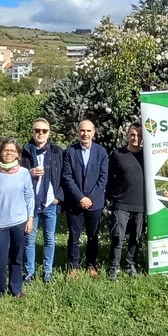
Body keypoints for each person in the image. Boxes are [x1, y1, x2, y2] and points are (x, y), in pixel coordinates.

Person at [0, 138, 35, 299]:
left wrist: (30, 218)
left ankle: (16, 288)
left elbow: (29, 195)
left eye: (12, 150)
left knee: (17, 258)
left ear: (18, 154)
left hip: (20, 223)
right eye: (6, 150)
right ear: (1, 152)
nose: (9, 153)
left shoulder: (24, 173)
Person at [61, 119, 109, 277]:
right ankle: (73, 267)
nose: (85, 134)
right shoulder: (70, 152)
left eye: (88, 131)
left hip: (95, 203)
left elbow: (103, 178)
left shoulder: (101, 152)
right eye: (82, 130)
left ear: (93, 133)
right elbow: (67, 177)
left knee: (93, 236)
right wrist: (80, 198)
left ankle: (91, 265)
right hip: (75, 202)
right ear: (78, 132)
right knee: (74, 237)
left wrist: (90, 198)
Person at [20, 118, 64, 283]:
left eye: (44, 131)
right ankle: (29, 272)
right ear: (32, 132)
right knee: (29, 239)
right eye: (37, 130)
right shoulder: (24, 152)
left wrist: (59, 197)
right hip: (31, 203)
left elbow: (65, 176)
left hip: (50, 202)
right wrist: (28, 173)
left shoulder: (57, 151)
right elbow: (16, 174)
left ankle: (47, 271)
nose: (40, 133)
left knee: (49, 238)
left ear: (49, 133)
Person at [106, 123, 145, 280]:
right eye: (133, 134)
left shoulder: (148, 155)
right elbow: (109, 177)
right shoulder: (118, 154)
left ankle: (130, 264)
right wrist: (112, 197)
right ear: (127, 135)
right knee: (118, 236)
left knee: (136, 237)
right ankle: (114, 267)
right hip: (121, 203)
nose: (136, 138)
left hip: (141, 204)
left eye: (139, 135)